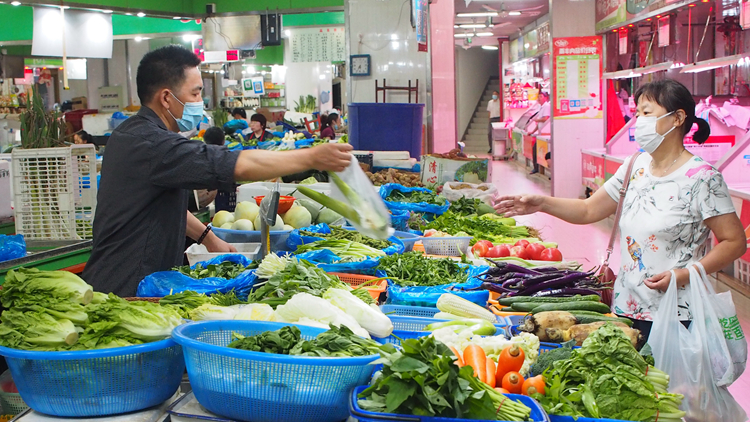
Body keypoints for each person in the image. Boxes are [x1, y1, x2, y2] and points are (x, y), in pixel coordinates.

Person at [82, 45, 353, 297]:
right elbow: (239, 164)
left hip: (130, 279)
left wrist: (208, 238)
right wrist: (311, 157)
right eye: (196, 93)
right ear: (166, 97)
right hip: (126, 288)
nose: (200, 101)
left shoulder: (130, 134)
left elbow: (159, 204)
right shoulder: (153, 144)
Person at [494, 79, 746, 342]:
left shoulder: (702, 178)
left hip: (678, 311)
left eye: (647, 113)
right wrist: (542, 203)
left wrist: (685, 274)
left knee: (675, 383)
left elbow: (734, 241)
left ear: (677, 118)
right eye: (637, 113)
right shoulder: (634, 166)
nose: (639, 121)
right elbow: (588, 210)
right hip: (628, 306)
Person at [529, 92, 550, 175]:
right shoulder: (541, 107)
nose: (539, 98)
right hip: (541, 132)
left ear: (546, 97)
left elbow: (545, 118)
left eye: (541, 96)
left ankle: (536, 168)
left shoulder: (547, 106)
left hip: (545, 133)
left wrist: (536, 120)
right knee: (536, 150)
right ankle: (536, 167)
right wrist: (533, 131)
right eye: (538, 96)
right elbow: (540, 124)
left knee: (536, 149)